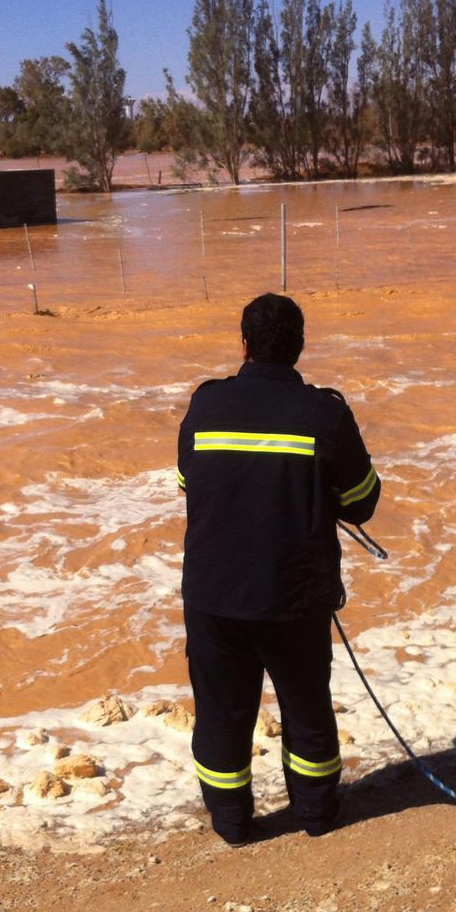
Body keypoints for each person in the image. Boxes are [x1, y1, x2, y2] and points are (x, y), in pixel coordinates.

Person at [176, 293, 381, 846]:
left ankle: (232, 825)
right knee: (307, 707)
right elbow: (362, 501)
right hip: (294, 596)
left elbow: (188, 483)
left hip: (214, 595)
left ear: (242, 344)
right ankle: (316, 815)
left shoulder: (206, 406)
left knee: (221, 712)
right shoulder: (325, 412)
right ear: (300, 348)